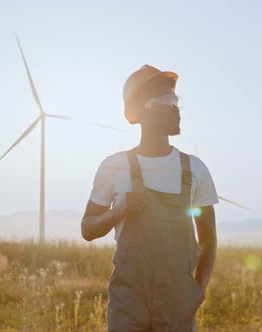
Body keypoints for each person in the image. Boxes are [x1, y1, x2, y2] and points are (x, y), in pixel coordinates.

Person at [81, 64, 218, 332]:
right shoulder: (113, 167)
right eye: (165, 101)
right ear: (139, 111)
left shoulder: (196, 170)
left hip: (179, 309)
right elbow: (87, 228)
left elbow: (209, 240)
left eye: (176, 100)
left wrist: (195, 294)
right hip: (128, 308)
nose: (175, 108)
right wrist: (116, 212)